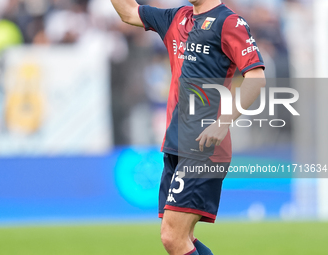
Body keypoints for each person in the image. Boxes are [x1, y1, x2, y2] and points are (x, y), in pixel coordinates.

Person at [110, 0, 266, 254]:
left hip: (203, 145)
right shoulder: (175, 18)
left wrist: (222, 123)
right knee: (183, 238)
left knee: (172, 237)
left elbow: (256, 78)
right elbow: (128, 12)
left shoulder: (229, 22)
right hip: (175, 141)